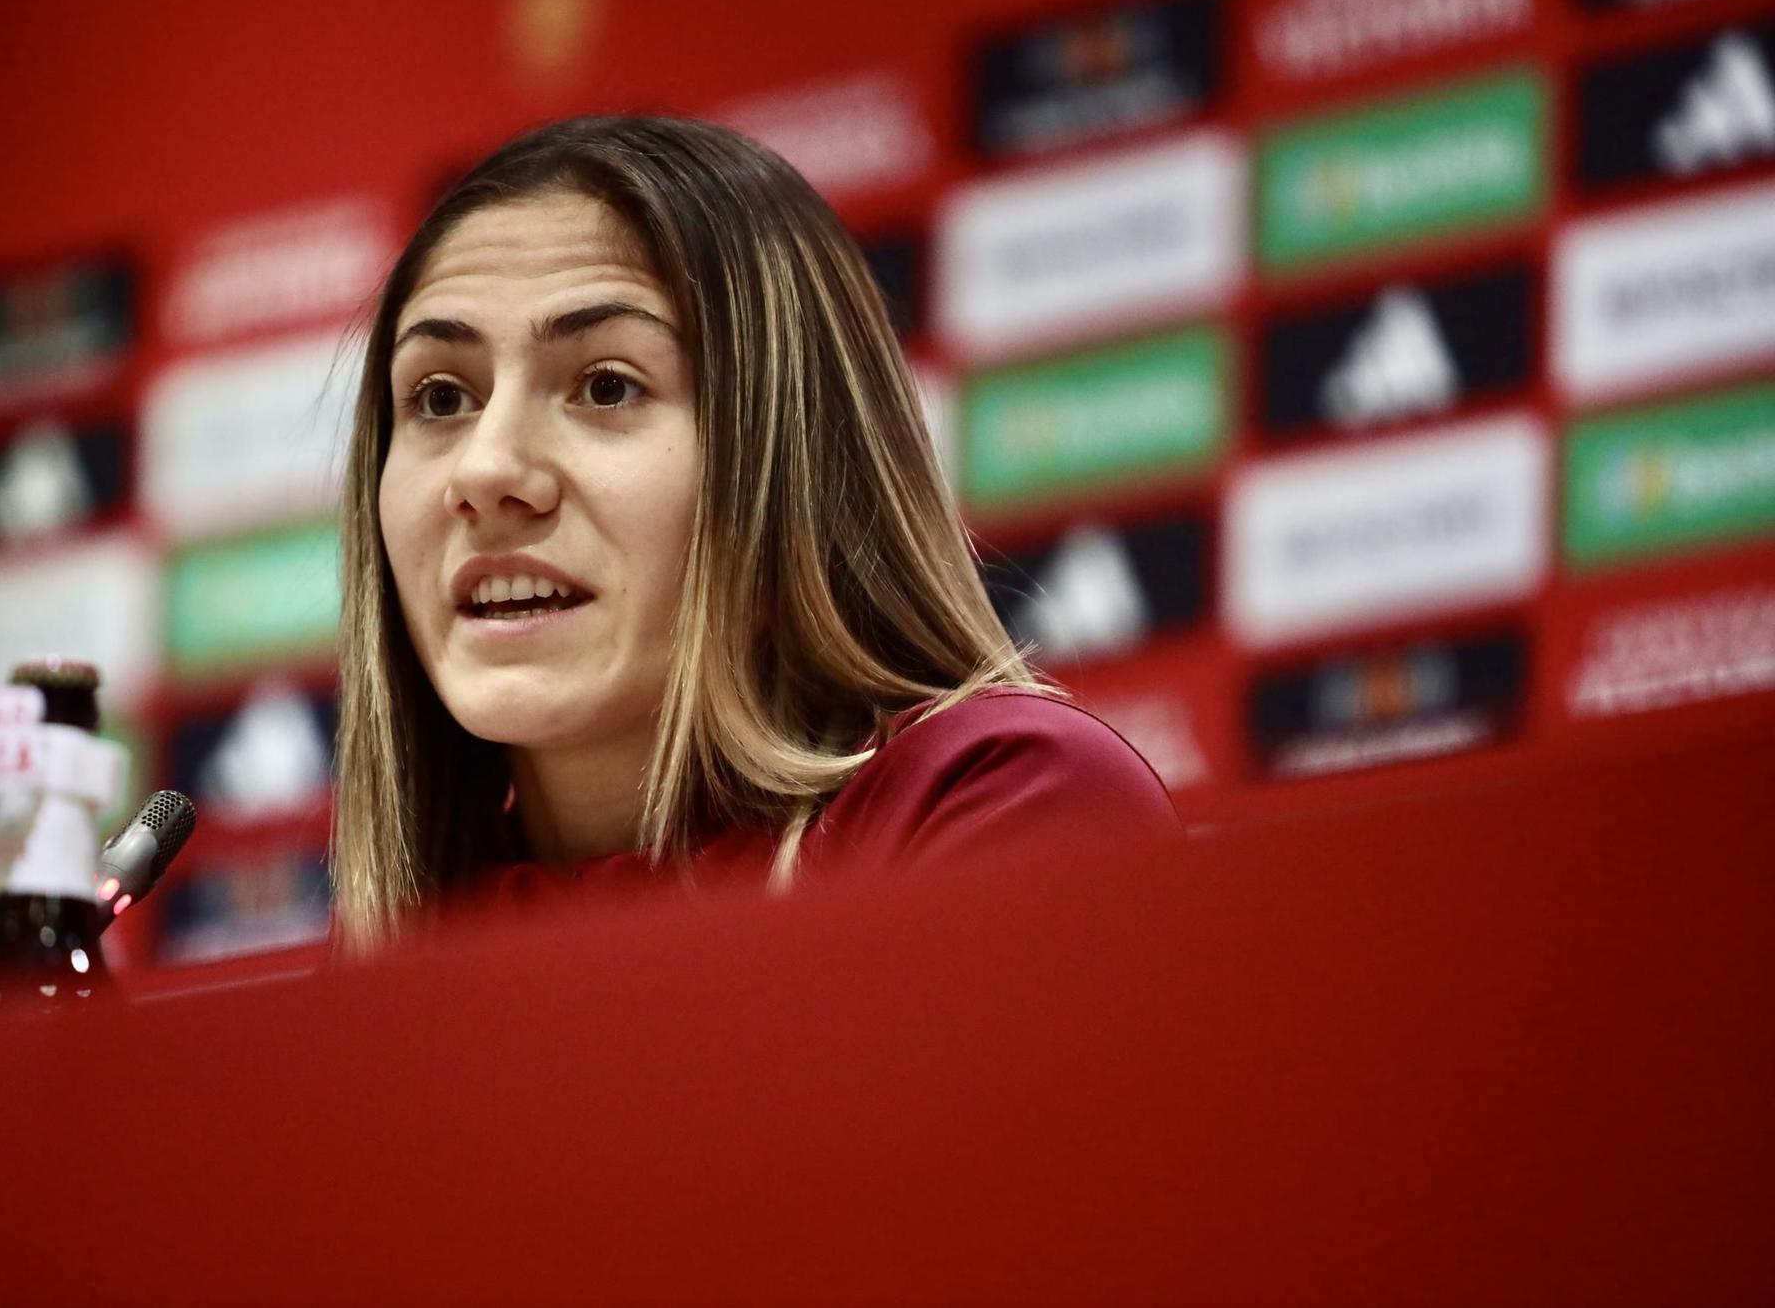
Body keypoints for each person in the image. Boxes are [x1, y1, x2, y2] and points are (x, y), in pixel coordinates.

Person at [332, 116, 1178, 948]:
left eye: (607, 385)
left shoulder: (1004, 803)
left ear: (790, 453)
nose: (484, 473)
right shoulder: (400, 933)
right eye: (441, 397)